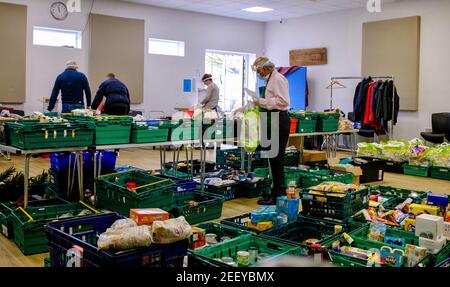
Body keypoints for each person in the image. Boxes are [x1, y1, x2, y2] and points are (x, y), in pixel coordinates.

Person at [251, 56, 291, 205]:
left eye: (259, 70)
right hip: (272, 118)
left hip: (279, 118)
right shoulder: (270, 79)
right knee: (272, 157)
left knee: (277, 158)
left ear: (266, 68)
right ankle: (275, 192)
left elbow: (283, 102)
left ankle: (279, 195)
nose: (259, 73)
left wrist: (260, 101)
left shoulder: (278, 79)